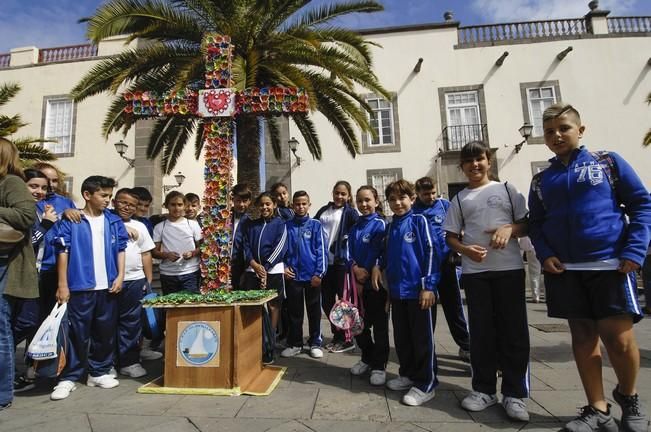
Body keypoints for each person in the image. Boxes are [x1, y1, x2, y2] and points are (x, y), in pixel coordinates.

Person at [528, 104, 651, 432]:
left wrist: (636, 249)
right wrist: (545, 254)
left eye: (564, 128)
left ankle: (629, 396)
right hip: (566, 270)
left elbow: (641, 203)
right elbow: (536, 223)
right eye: (550, 130)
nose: (556, 135)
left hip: (611, 265)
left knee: (619, 341)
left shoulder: (607, 162)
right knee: (583, 338)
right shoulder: (542, 179)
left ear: (580, 130)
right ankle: (597, 407)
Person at [444, 140, 531, 422]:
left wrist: (509, 229)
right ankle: (483, 389)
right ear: (462, 167)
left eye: (479, 159)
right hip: (475, 274)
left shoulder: (507, 189)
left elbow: (526, 223)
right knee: (481, 333)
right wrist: (466, 250)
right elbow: (451, 237)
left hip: (509, 270)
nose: (474, 165)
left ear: (488, 161)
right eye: (468, 162)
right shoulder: (460, 199)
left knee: (514, 332)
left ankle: (515, 394)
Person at [50, 176, 128, 401]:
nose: (108, 200)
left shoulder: (113, 221)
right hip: (80, 286)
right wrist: (63, 284)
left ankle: (99, 371)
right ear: (87, 195)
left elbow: (121, 249)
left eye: (109, 196)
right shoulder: (72, 220)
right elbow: (62, 251)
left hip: (108, 286)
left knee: (105, 331)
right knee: (77, 333)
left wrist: (120, 276)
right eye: (103, 195)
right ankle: (69, 376)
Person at [370, 179, 440, 406]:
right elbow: (386, 255)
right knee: (402, 338)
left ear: (412, 198)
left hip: (419, 293)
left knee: (422, 340)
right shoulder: (390, 226)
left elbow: (431, 252)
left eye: (402, 198)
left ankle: (426, 383)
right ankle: (408, 374)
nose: (397, 203)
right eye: (392, 199)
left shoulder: (420, 221)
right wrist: (378, 267)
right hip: (398, 293)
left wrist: (428, 286)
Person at [413, 176, 471, 362]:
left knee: (454, 307)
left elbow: (458, 225)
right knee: (427, 309)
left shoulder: (444, 205)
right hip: (426, 267)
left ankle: (466, 346)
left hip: (447, 264)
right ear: (417, 193)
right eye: (425, 194)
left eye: (432, 193)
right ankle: (428, 348)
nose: (430, 197)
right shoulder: (413, 211)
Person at [0, 138, 38, 411]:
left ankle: (2, 393)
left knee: (1, 331)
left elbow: (26, 215)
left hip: (6, 265)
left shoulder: (11, 182)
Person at [11, 169, 57, 392]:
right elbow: (29, 242)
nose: (39, 192)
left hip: (38, 275)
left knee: (29, 323)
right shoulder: (20, 210)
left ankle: (13, 370)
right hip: (19, 277)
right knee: (22, 323)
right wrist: (47, 223)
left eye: (44, 188)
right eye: (33, 186)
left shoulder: (38, 210)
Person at [112, 188, 156, 378]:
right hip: (109, 281)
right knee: (107, 324)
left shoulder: (141, 226)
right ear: (114, 202)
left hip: (135, 281)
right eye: (123, 202)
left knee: (132, 324)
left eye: (132, 205)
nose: (127, 207)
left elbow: (146, 254)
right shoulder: (106, 221)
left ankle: (129, 362)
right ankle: (107, 363)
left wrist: (148, 280)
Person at [348, 186, 389, 386]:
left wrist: (370, 269)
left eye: (367, 200)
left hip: (375, 284)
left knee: (379, 326)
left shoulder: (381, 224)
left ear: (376, 201)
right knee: (358, 326)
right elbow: (347, 253)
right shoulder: (354, 227)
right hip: (356, 283)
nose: (364, 204)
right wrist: (355, 268)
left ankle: (379, 366)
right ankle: (367, 357)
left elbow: (381, 251)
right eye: (360, 200)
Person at [281, 190, 326, 359]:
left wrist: (319, 274)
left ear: (309, 205)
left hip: (312, 277)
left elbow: (320, 250)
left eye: (303, 204)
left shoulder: (316, 225)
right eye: (297, 204)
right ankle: (295, 343)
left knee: (314, 311)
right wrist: (284, 267)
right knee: (295, 312)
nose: (300, 207)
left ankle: (315, 343)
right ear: (292, 206)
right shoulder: (287, 226)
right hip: (293, 277)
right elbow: (282, 251)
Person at [315, 180, 358, 353]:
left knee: (343, 302)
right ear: (332, 193)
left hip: (341, 264)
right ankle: (337, 333)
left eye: (343, 194)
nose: (339, 196)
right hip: (325, 265)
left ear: (348, 196)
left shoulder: (351, 213)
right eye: (337, 193)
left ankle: (347, 338)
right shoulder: (324, 211)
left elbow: (357, 232)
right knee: (326, 302)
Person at [152, 191, 202, 295]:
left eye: (179, 205)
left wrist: (192, 253)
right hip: (168, 274)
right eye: (173, 205)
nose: (176, 208)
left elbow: (202, 247)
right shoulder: (159, 227)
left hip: (190, 272)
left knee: (191, 306)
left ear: (184, 206)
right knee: (170, 307)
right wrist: (166, 255)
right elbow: (154, 252)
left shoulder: (192, 225)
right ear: (166, 206)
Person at [231, 184, 252, 291]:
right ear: (233, 199)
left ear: (249, 201)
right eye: (238, 200)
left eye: (245, 201)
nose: (241, 204)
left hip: (240, 268)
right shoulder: (222, 217)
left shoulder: (251, 223)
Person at [519, 236, 544, 303]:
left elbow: (524, 241)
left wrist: (527, 249)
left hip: (532, 249)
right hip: (544, 248)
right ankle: (548, 295)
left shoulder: (528, 226)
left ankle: (536, 296)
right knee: (547, 272)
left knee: (534, 273)